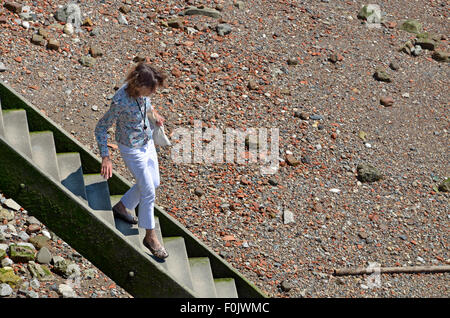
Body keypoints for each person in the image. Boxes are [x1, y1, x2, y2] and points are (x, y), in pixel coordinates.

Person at [95, 62, 169, 259]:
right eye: (149, 89)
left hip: (147, 142)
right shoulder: (120, 101)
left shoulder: (141, 95)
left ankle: (122, 207)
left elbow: (146, 104)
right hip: (131, 149)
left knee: (154, 183)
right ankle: (150, 237)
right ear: (138, 85)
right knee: (148, 191)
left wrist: (153, 114)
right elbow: (101, 128)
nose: (152, 93)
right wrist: (106, 157)